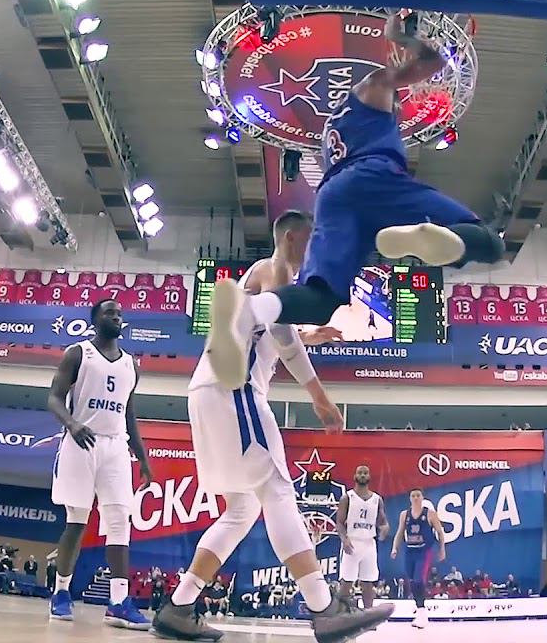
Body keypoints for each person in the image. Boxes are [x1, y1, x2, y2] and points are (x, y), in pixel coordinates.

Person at [202, 10, 504, 392]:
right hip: (373, 176)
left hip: (332, 194)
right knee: (490, 243)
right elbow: (433, 61)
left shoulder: (333, 127)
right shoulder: (373, 86)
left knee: (319, 301)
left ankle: (247, 310)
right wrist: (401, 37)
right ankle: (420, 237)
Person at [152, 210, 392, 643]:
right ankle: (323, 608)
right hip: (235, 390)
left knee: (242, 509)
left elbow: (270, 334)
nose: (319, 246)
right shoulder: (275, 269)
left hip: (207, 391)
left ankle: (179, 606)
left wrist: (311, 336)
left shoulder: (262, 281)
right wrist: (319, 396)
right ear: (294, 236)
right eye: (314, 237)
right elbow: (282, 336)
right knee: (278, 489)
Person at [46, 299, 153, 630]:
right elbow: (53, 397)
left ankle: (118, 602)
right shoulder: (78, 354)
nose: (117, 317)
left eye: (120, 313)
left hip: (115, 446)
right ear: (95, 319)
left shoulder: (131, 365)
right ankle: (61, 592)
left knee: (120, 520)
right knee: (77, 521)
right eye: (110, 313)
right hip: (81, 442)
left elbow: (129, 413)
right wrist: (72, 424)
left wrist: (143, 457)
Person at [391, 488, 447, 629]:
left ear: (422, 498)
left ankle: (422, 613)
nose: (415, 498)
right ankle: (420, 611)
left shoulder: (430, 514)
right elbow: (399, 532)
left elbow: (440, 532)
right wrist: (394, 548)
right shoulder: (404, 515)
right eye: (413, 495)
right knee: (411, 581)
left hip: (424, 551)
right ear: (410, 498)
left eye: (418, 495)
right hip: (410, 551)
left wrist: (442, 549)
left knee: (418, 580)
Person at [337, 464, 390, 610]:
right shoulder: (347, 497)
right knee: (346, 583)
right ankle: (339, 614)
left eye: (365, 473)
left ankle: (368, 615)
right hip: (352, 542)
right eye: (360, 472)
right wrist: (344, 539)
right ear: (354, 476)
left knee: (368, 583)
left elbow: (383, 521)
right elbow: (339, 523)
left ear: (369, 477)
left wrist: (385, 528)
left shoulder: (377, 499)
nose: (362, 475)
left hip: (369, 544)